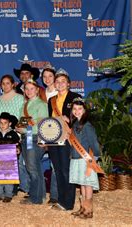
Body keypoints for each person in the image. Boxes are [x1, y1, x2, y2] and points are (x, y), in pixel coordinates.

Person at [48, 68, 82, 211]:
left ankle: (68, 203)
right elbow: (49, 121)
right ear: (54, 84)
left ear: (69, 84)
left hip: (68, 137)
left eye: (63, 81)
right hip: (54, 138)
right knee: (57, 169)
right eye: (58, 81)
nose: (60, 84)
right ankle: (61, 200)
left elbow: (82, 117)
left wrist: (70, 120)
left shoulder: (75, 97)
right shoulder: (51, 100)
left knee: (65, 170)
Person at [0, 75, 28, 194]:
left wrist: (21, 130)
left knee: (18, 163)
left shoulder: (20, 98)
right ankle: (5, 190)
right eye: (3, 83)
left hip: (16, 133)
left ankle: (23, 187)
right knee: (2, 163)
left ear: (13, 84)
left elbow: (25, 114)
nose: (5, 86)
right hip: (1, 134)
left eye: (8, 83)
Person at [17, 79, 49, 205]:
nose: (29, 91)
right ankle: (39, 196)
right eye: (27, 89)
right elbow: (23, 122)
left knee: (32, 168)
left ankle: (35, 198)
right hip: (26, 138)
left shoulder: (41, 105)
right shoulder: (24, 105)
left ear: (37, 90)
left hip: (35, 138)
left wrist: (43, 140)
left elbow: (43, 124)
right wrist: (19, 127)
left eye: (32, 89)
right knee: (34, 167)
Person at [68, 98, 100, 219]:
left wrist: (95, 157)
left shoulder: (87, 125)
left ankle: (88, 210)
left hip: (86, 159)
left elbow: (94, 143)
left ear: (85, 110)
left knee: (88, 184)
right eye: (75, 109)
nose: (77, 111)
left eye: (80, 109)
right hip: (76, 158)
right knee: (81, 183)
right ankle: (82, 208)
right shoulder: (75, 124)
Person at [0, 112, 20, 203]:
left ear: (9, 123)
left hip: (9, 159)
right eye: (1, 123)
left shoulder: (13, 134)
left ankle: (8, 195)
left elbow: (18, 144)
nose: (2, 125)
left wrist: (18, 149)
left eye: (5, 123)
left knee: (8, 177)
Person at [41, 64, 59, 204]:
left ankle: (54, 195)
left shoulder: (59, 93)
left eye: (50, 76)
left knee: (55, 164)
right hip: (41, 131)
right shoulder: (40, 93)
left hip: (56, 132)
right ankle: (36, 192)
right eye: (44, 76)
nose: (47, 79)